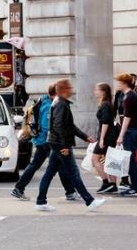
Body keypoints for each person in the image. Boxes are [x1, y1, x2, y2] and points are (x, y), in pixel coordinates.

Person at [35, 79, 105, 212]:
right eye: (69, 87)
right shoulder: (61, 104)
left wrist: (84, 136)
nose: (72, 89)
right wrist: (64, 146)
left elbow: (69, 126)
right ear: (64, 90)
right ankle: (89, 201)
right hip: (59, 143)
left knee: (50, 172)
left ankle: (41, 201)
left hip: (55, 142)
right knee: (73, 172)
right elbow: (59, 126)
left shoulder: (59, 102)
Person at [12, 83, 77, 200]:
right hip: (46, 141)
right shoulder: (48, 105)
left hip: (42, 140)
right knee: (60, 166)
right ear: (56, 93)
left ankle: (18, 188)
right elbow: (47, 126)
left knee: (36, 165)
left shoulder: (43, 101)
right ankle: (70, 192)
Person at [116, 73, 137, 196]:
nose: (117, 84)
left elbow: (127, 118)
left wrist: (120, 135)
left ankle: (136, 186)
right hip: (133, 129)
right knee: (131, 158)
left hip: (131, 130)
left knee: (130, 158)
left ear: (124, 83)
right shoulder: (129, 95)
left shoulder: (129, 97)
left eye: (119, 82)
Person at [93, 83, 120, 194]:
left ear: (103, 91)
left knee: (95, 159)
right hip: (110, 136)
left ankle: (106, 182)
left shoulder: (105, 105)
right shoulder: (108, 104)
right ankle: (113, 185)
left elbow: (105, 122)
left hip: (107, 136)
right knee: (109, 160)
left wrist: (102, 138)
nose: (95, 92)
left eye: (97, 90)